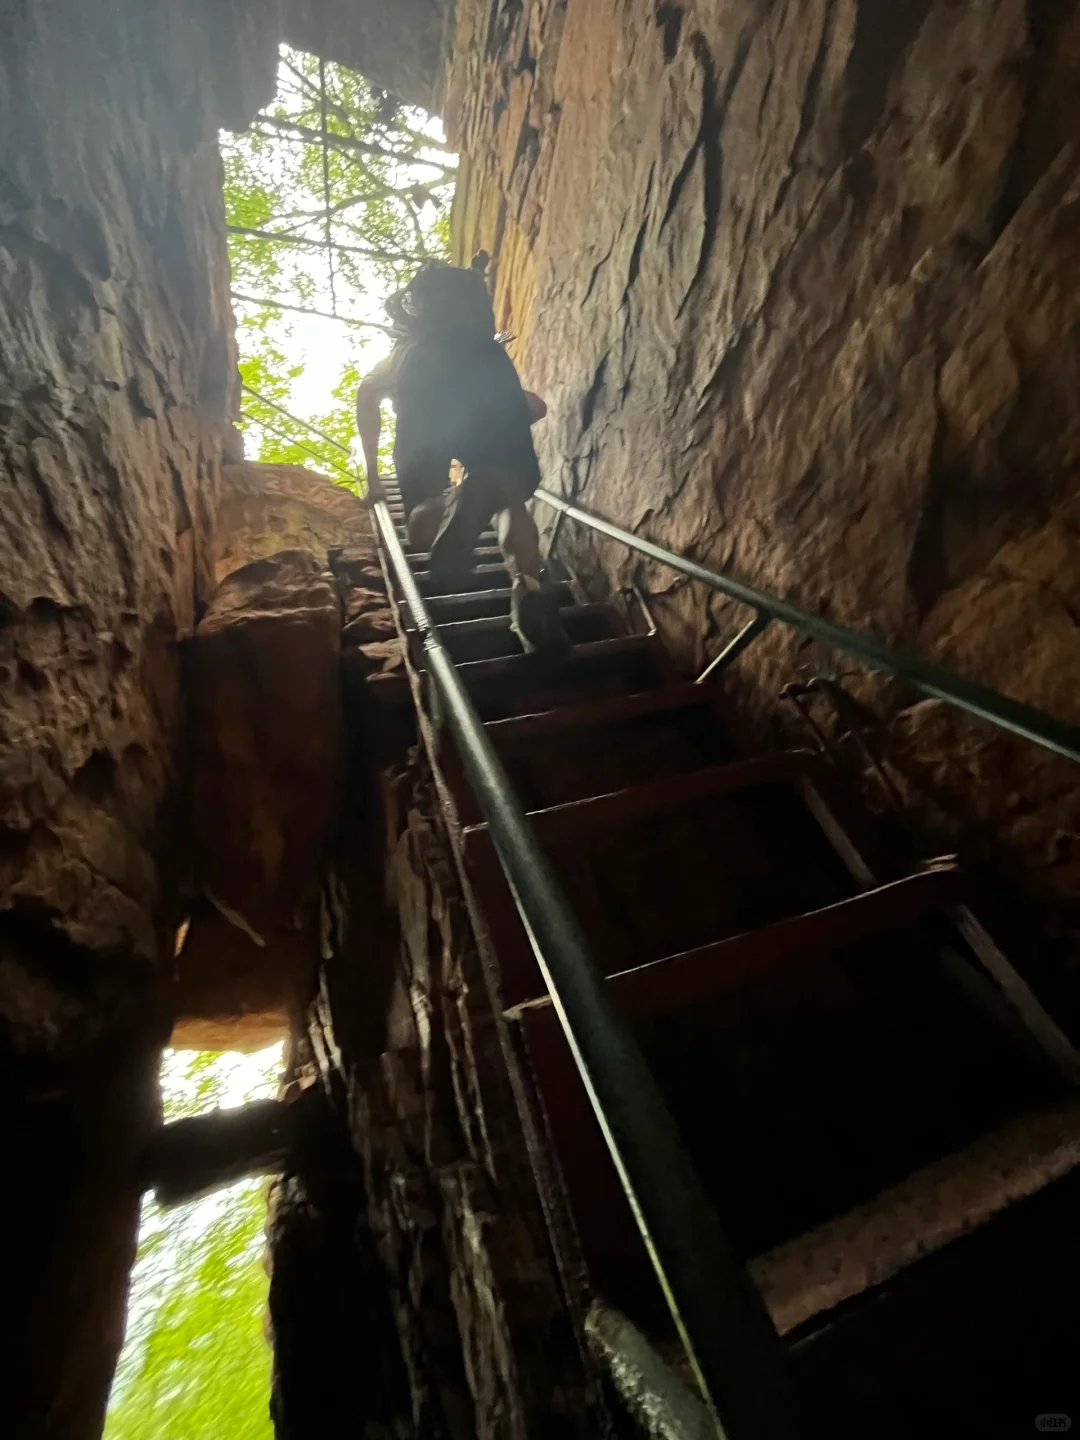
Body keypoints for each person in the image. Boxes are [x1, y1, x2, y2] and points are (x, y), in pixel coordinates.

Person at [355, 256, 568, 654]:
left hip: (425, 392)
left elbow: (367, 396)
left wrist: (372, 477)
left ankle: (453, 498)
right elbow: (536, 406)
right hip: (491, 375)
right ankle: (528, 583)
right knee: (507, 496)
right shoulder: (485, 346)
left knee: (421, 531)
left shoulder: (405, 354)